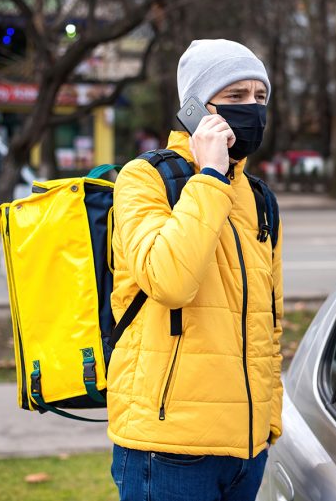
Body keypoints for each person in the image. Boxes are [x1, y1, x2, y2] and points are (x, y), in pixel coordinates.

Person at [107, 39, 283, 501]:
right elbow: (170, 281)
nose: (253, 109)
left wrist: (268, 420)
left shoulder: (259, 197)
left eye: (259, 97)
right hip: (167, 450)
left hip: (246, 449)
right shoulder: (144, 178)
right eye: (236, 97)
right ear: (195, 110)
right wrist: (209, 178)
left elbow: (270, 321)